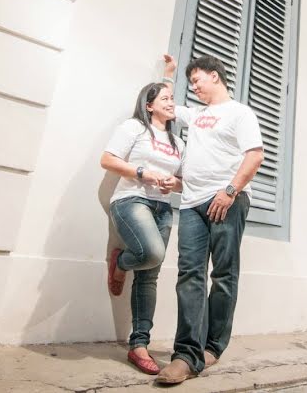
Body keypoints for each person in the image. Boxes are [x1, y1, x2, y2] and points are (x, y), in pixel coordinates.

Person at [155, 54, 264, 385]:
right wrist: (170, 74)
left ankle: (213, 346)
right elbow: (166, 104)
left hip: (227, 202)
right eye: (190, 83)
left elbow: (255, 155)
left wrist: (229, 191)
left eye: (197, 80)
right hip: (191, 203)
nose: (194, 87)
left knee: (224, 274)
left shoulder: (240, 113)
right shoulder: (197, 114)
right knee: (190, 273)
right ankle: (185, 355)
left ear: (215, 76)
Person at [100, 82, 183, 375]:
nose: (172, 102)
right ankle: (121, 262)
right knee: (152, 253)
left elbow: (184, 180)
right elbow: (107, 160)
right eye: (165, 98)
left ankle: (139, 345)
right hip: (131, 200)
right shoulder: (133, 128)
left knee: (150, 275)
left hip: (162, 208)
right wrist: (142, 173)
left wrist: (176, 183)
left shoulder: (178, 143)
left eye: (173, 98)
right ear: (149, 105)